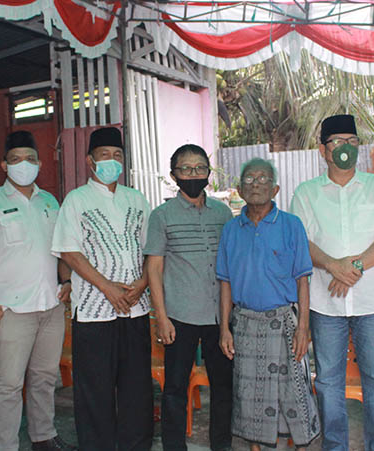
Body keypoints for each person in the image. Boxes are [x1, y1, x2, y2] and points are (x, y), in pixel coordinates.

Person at [290, 114, 374, 450]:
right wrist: (332, 265)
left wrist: (353, 267)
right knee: (328, 381)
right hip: (326, 303)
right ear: (323, 150)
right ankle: (335, 445)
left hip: (372, 301)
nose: (345, 148)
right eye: (337, 142)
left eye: (352, 142)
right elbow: (301, 243)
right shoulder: (307, 193)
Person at [0, 131, 75, 451]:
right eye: (15, 160)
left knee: (44, 377)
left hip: (50, 304)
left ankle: (43, 437)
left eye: (29, 159)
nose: (23, 165)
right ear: (4, 165)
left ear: (39, 164)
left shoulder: (49, 202)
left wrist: (67, 281)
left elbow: (60, 251)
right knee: (9, 384)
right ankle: (6, 445)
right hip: (10, 309)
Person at [51, 126, 153, 450]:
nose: (112, 160)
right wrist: (107, 288)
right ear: (90, 160)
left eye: (117, 155)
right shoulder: (76, 200)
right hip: (94, 313)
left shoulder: (136, 199)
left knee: (137, 389)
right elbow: (69, 252)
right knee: (94, 392)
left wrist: (143, 283)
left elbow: (152, 250)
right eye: (104, 155)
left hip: (136, 309)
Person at [217, 158, 320, 450]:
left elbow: (302, 280)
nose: (256, 185)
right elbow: (225, 282)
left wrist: (303, 328)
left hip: (284, 322)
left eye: (263, 179)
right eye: (249, 179)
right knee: (251, 400)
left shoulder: (291, 225)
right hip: (246, 325)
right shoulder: (231, 230)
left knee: (295, 396)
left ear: (275, 189)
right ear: (239, 189)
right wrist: (224, 329)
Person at [145, 144, 234, 451]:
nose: (194, 175)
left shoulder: (223, 214)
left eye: (200, 168)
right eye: (186, 169)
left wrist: (228, 319)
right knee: (174, 389)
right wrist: (161, 317)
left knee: (223, 387)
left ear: (209, 173)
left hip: (219, 317)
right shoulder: (162, 216)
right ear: (174, 175)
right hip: (179, 317)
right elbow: (154, 268)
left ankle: (221, 444)